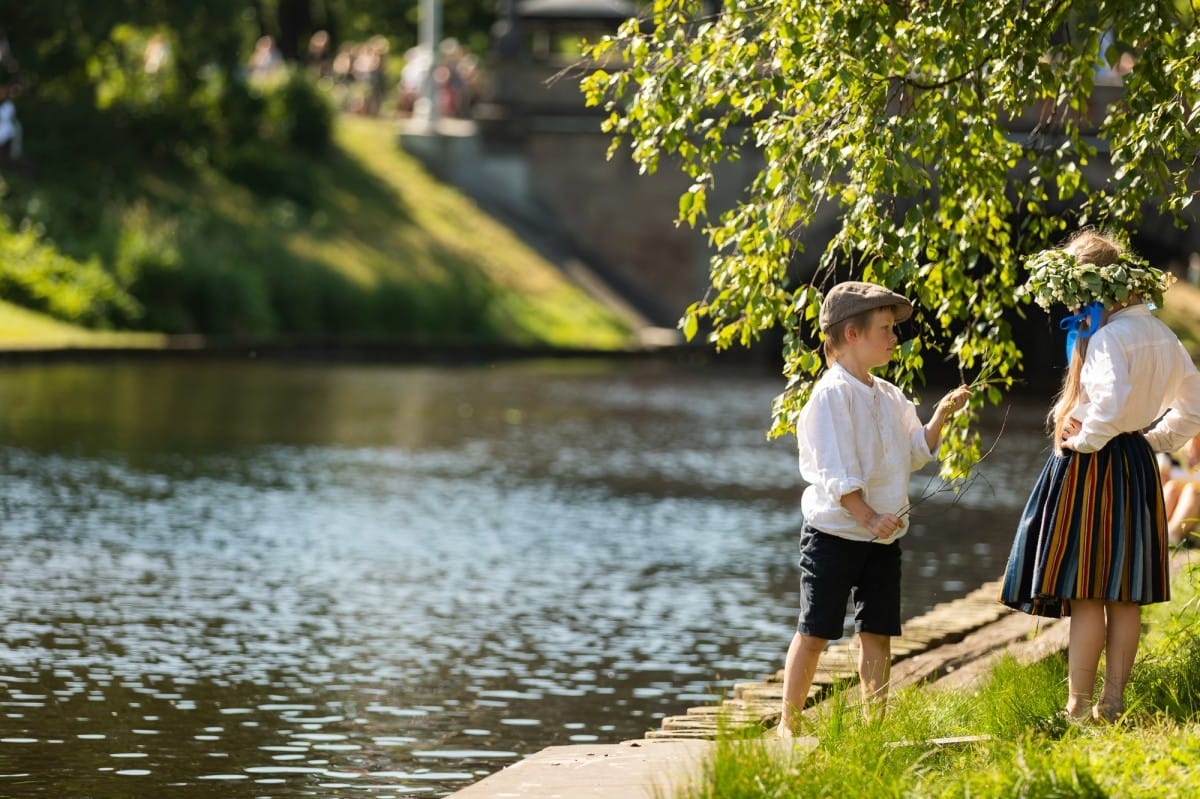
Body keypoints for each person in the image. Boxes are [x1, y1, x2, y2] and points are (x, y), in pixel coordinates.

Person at [999, 229, 1200, 724]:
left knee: (1089, 592)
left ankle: (1078, 706)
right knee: (1124, 593)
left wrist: (1083, 440)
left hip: (1097, 466)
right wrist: (1149, 441)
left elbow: (1108, 403)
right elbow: (1193, 409)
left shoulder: (1110, 337)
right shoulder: (1162, 334)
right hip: (1133, 463)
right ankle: (1112, 703)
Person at [778, 281, 972, 735]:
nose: (893, 339)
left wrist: (940, 416)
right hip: (834, 535)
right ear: (851, 335)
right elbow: (834, 473)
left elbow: (917, 448)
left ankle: (873, 727)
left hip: (882, 537)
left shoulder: (887, 393)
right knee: (816, 630)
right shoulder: (831, 396)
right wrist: (868, 517)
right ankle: (790, 724)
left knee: (877, 631)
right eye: (884, 329)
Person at [1163, 434, 1200, 545]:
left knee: (1192, 491)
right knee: (1172, 487)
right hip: (1172, 504)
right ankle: (1156, 531)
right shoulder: (1170, 455)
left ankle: (1172, 534)